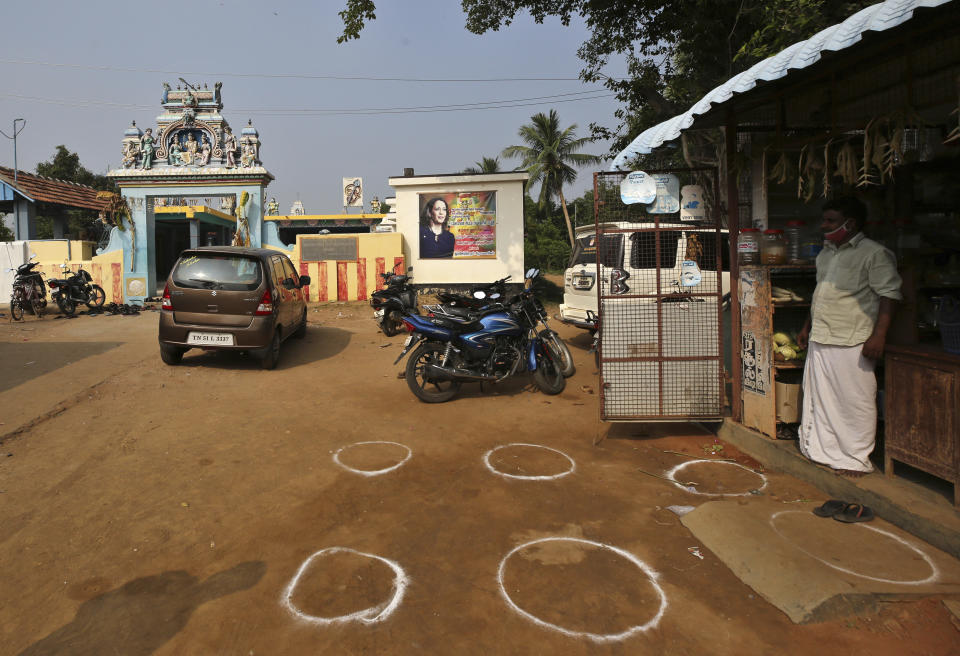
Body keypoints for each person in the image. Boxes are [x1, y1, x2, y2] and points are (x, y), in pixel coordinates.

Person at [796, 196, 902, 477]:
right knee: (821, 397)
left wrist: (879, 336)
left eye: (830, 220)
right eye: (825, 220)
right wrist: (807, 326)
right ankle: (823, 450)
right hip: (822, 334)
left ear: (850, 223)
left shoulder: (874, 254)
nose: (824, 226)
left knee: (855, 400)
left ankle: (855, 458)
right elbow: (821, 293)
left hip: (853, 338)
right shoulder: (826, 253)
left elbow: (889, 296)